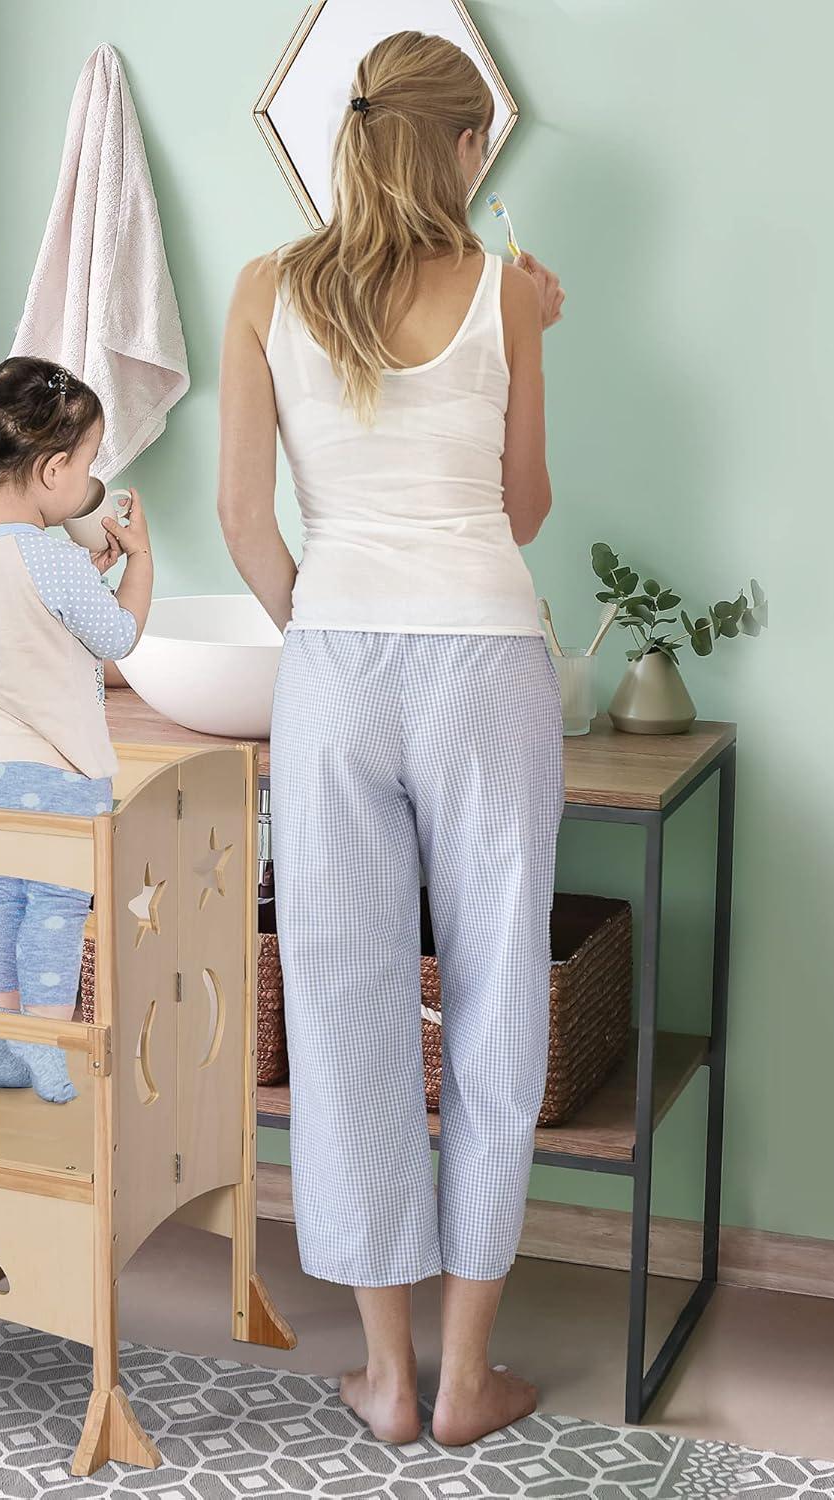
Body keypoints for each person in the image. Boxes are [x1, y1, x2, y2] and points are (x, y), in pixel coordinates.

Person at [217, 31, 565, 1447]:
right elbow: (523, 506)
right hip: (487, 652)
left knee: (343, 1001)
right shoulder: (510, 294)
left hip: (338, 662)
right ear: (467, 149)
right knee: (496, 1001)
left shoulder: (261, 291)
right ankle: (474, 1376)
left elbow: (249, 525)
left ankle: (390, 1381)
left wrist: (330, 624)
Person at [0, 355, 152, 1102]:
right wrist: (138, 561)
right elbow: (119, 636)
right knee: (59, 906)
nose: (92, 478)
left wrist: (81, 575)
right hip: (61, 769)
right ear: (56, 469)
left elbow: (31, 622)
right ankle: (49, 1044)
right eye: (90, 462)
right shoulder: (52, 558)